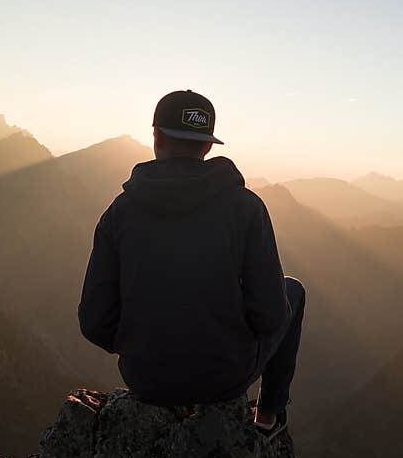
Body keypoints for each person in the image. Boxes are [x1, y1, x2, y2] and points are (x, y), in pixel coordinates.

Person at [78, 89, 304, 439]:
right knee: (294, 291)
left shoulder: (119, 213)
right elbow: (272, 314)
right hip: (224, 378)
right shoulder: (246, 209)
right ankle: (267, 418)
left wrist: (143, 346)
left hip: (145, 377)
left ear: (155, 137)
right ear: (209, 146)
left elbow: (94, 321)